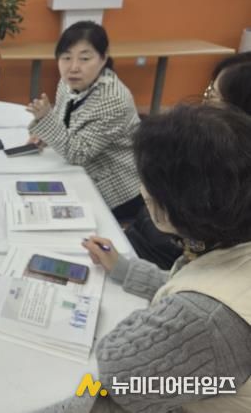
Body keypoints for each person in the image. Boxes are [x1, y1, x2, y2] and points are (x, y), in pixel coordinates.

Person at [81, 104, 251, 412]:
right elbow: (206, 285)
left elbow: (117, 380)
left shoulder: (203, 321)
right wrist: (124, 269)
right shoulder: (232, 244)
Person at [126, 51, 251, 269]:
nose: (203, 105)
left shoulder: (218, 184)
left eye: (213, 97)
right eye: (208, 92)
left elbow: (186, 267)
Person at [26, 21, 142, 221]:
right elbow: (64, 119)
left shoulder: (114, 100)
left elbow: (78, 153)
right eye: (66, 58)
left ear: (103, 58)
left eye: (85, 58)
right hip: (81, 169)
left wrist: (45, 120)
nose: (73, 68)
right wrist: (44, 133)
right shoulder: (69, 82)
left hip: (115, 189)